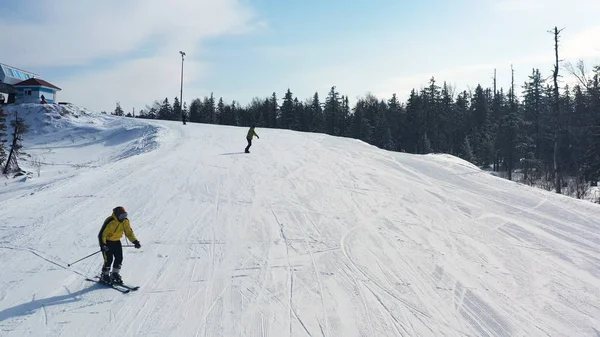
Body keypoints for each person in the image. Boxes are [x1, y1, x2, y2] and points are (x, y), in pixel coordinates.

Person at [98, 206, 141, 284]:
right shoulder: (110, 221)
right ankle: (104, 275)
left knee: (119, 258)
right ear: (117, 215)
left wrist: (135, 241)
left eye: (125, 215)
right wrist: (103, 244)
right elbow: (102, 234)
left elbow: (129, 232)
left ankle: (115, 274)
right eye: (122, 216)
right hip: (107, 242)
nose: (123, 218)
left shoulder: (125, 221)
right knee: (109, 259)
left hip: (117, 241)